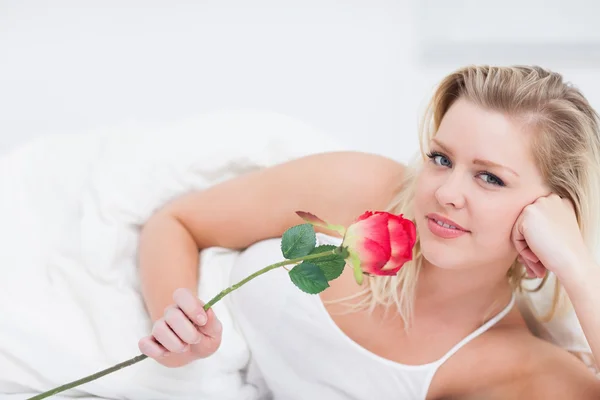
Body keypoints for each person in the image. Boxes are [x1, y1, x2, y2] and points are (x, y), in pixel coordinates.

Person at [137, 65, 600, 399]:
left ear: (553, 212)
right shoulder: (363, 189)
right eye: (441, 159)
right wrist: (179, 334)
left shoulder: (521, 368)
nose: (446, 193)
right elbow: (175, 222)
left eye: (490, 178)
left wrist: (578, 270)